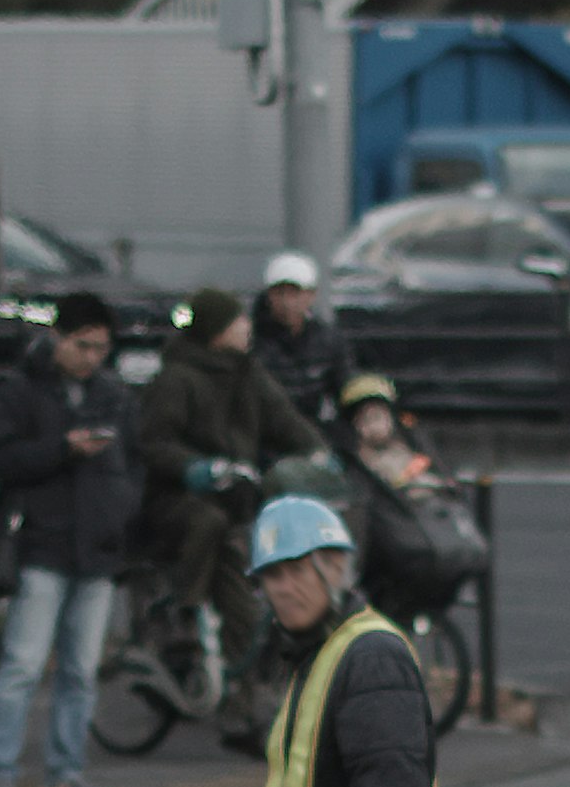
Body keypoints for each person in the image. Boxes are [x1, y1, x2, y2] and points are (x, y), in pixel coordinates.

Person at [252, 496, 445, 787]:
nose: (284, 588)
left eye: (298, 570)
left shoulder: (370, 657)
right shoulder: (318, 651)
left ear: (336, 568)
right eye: (272, 576)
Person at [0, 292, 141, 787]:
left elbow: (134, 461)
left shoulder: (111, 395)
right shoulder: (21, 392)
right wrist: (63, 449)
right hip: (42, 542)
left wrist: (123, 511)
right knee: (23, 664)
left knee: (80, 671)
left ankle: (65, 773)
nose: (92, 357)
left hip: (96, 546)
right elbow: (0, 457)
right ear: (57, 339)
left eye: (101, 348)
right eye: (83, 345)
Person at [141, 285, 324, 734]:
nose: (246, 327)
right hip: (177, 502)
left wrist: (318, 454)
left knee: (243, 591)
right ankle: (183, 614)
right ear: (216, 330)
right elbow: (153, 441)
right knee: (208, 522)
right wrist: (193, 468)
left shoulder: (248, 374)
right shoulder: (176, 378)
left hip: (236, 499)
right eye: (236, 321)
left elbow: (284, 420)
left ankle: (243, 699)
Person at [334, 374, 489, 622]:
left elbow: (436, 473)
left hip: (426, 526)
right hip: (398, 537)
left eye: (380, 417)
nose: (375, 426)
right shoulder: (359, 463)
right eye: (366, 420)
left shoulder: (410, 446)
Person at [253, 252, 355, 428]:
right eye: (280, 293)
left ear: (311, 295)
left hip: (312, 429)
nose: (287, 303)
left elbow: (344, 387)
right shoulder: (251, 340)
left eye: (294, 294)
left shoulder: (328, 340)